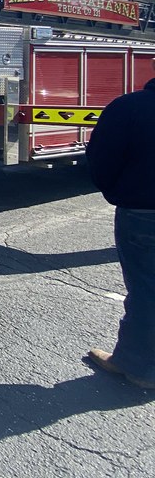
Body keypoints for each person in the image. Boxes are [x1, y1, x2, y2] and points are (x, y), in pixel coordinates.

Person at [85, 57, 155, 390]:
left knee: (145, 291)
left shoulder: (128, 108)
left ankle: (138, 367)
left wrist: (119, 193)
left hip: (142, 215)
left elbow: (101, 159)